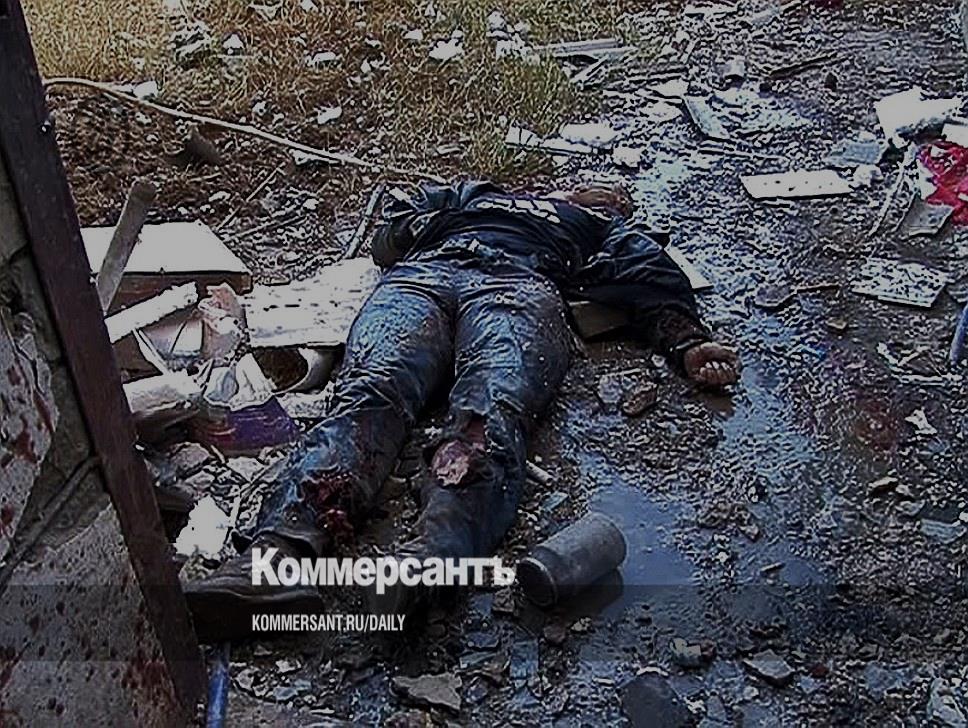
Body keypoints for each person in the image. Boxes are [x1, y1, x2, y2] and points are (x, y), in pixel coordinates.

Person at [185, 180, 739, 637]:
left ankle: (432, 560)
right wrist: (424, 225)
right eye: (600, 190)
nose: (607, 195)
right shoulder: (476, 195)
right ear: (568, 186)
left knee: (488, 411)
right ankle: (273, 560)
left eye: (617, 198)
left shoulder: (595, 228)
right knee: (370, 391)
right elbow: (389, 239)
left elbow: (651, 276)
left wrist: (688, 342)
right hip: (423, 276)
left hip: (519, 283)